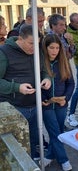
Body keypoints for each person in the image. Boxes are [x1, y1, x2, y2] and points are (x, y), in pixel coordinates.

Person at [0, 24, 51, 160]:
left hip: (34, 106)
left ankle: (33, 161)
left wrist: (47, 78)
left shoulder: (37, 50)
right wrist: (17, 87)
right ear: (20, 39)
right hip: (14, 107)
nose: (34, 47)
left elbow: (44, 69)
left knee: (34, 140)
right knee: (18, 146)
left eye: (37, 44)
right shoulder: (3, 52)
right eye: (31, 43)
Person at [40, 34, 74, 170]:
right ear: (45, 48)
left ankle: (49, 155)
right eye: (51, 48)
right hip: (47, 105)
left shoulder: (64, 62)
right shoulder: (40, 63)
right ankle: (64, 159)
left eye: (57, 48)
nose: (54, 51)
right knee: (55, 132)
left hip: (61, 105)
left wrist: (65, 98)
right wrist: (44, 99)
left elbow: (71, 84)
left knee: (58, 132)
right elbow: (35, 83)